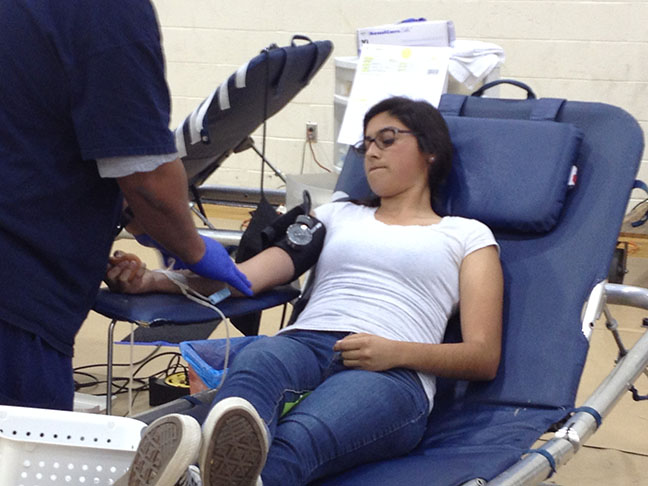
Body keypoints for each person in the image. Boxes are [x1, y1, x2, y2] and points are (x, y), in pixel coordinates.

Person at [107, 96, 503, 486]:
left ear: (430, 150)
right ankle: (209, 476)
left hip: (393, 371)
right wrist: (153, 281)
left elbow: (483, 356)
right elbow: (243, 278)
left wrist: (396, 351)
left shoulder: (466, 236)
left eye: (387, 139)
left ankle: (193, 478)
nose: (371, 153)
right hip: (304, 343)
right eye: (365, 144)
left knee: (299, 436)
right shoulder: (336, 215)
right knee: (253, 376)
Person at [0, 1, 251, 411]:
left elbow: (33, 135)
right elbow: (147, 180)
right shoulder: (109, 10)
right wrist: (194, 250)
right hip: (17, 304)